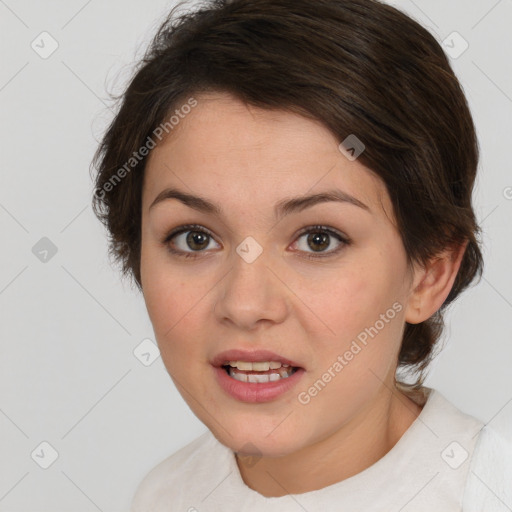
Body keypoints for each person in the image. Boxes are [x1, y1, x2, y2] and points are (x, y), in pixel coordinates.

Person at [90, 0, 512, 509]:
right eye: (195, 238)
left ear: (429, 274)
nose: (245, 305)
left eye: (318, 239)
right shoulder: (163, 497)